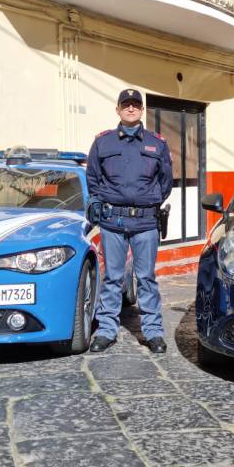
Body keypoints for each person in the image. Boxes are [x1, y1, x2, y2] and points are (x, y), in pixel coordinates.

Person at [86, 89, 173, 353]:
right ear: (118, 109)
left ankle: (153, 332)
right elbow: (93, 178)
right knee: (112, 278)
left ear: (142, 110)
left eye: (136, 104)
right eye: (127, 104)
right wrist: (102, 202)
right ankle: (106, 330)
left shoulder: (157, 144)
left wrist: (149, 200)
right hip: (113, 222)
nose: (131, 108)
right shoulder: (103, 142)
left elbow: (165, 182)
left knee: (146, 278)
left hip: (145, 223)